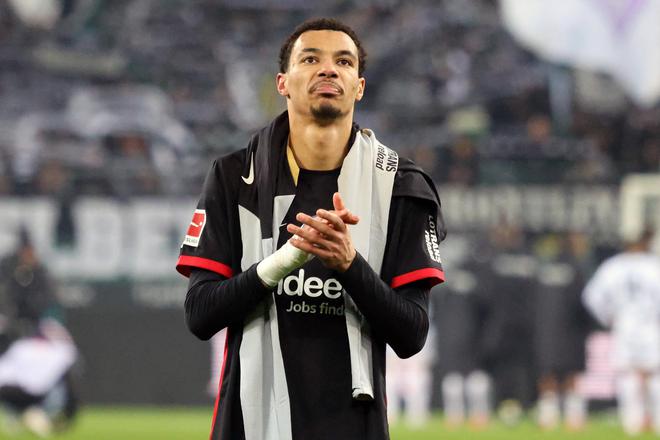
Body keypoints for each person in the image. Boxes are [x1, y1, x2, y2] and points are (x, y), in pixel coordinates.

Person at [176, 18, 446, 440]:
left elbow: (412, 334)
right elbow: (200, 314)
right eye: (310, 59)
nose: (328, 69)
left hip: (353, 427)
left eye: (344, 61)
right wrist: (281, 263)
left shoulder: (401, 186)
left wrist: (349, 264)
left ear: (359, 87)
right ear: (282, 83)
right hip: (250, 426)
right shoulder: (233, 177)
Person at [583, 229, 660, 435]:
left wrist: (608, 317)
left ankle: (631, 423)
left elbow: (591, 296)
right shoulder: (654, 265)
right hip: (650, 326)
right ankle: (656, 420)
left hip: (624, 326)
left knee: (628, 374)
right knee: (654, 373)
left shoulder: (613, 266)